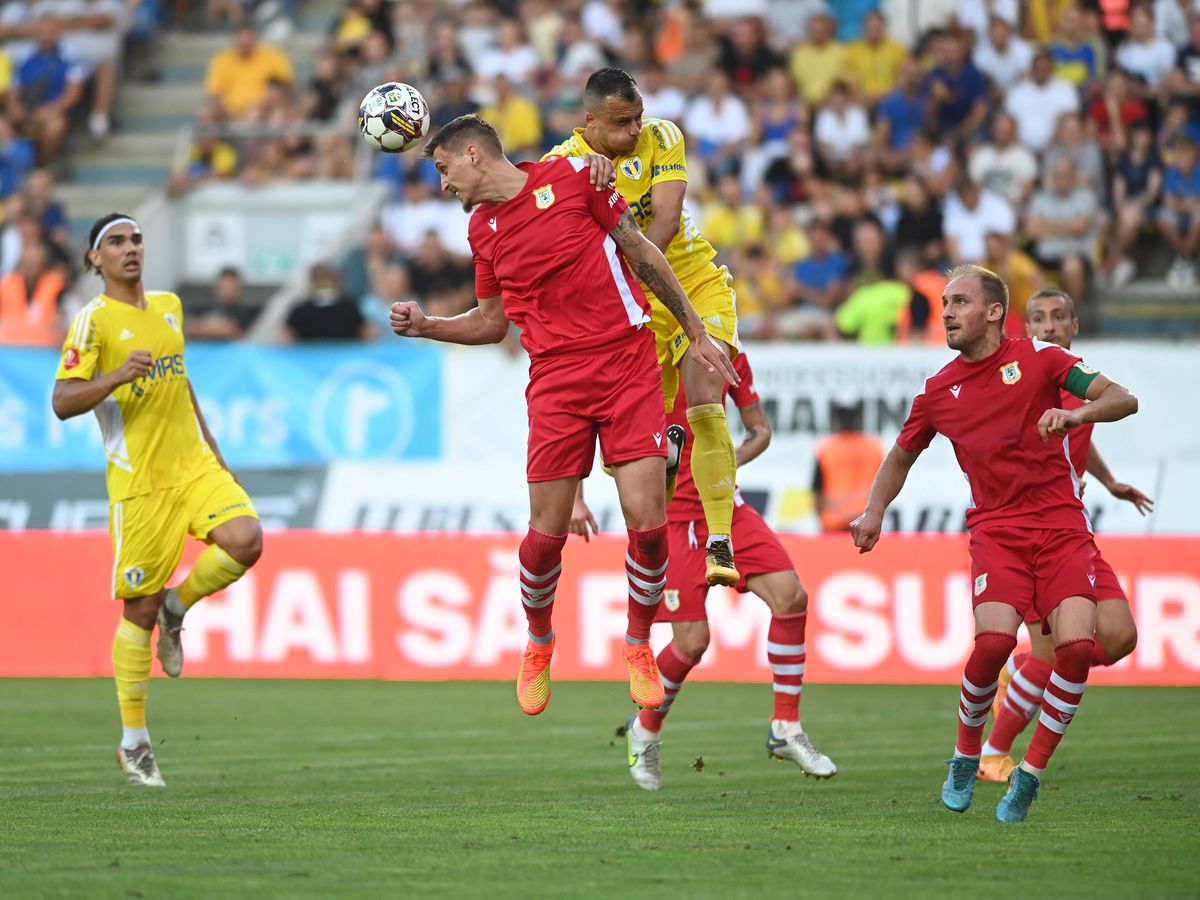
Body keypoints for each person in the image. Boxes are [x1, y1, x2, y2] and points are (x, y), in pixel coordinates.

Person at [390, 115, 737, 717]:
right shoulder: (482, 229)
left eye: (444, 169)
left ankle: (637, 642)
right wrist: (429, 326)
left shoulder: (576, 177)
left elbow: (641, 250)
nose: (443, 184)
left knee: (648, 523)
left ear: (473, 154)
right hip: (555, 379)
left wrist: (695, 329)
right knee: (543, 539)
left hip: (627, 362)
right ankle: (539, 641)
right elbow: (492, 322)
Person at [850, 264, 1138, 823]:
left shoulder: (1041, 359)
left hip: (1061, 526)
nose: (947, 312)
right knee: (994, 644)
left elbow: (1123, 398)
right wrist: (874, 510)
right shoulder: (938, 390)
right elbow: (901, 455)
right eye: (945, 303)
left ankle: (1029, 773)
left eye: (959, 301)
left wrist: (1076, 413)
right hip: (997, 531)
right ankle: (966, 756)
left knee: (1078, 649)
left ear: (994, 311)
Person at [51, 213, 263, 787]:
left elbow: (181, 382)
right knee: (137, 614)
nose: (131, 248)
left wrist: (216, 451)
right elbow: (63, 401)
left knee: (246, 540)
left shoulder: (169, 306)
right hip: (140, 483)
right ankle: (134, 742)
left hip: (193, 467)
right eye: (117, 241)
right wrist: (117, 376)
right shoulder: (92, 321)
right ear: (94, 258)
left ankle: (178, 607)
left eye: (137, 239)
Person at [572, 352, 836, 790]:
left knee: (791, 597)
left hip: (725, 511)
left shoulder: (727, 352)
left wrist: (721, 467)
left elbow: (760, 430)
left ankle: (786, 728)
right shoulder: (641, 351)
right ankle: (645, 730)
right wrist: (577, 498)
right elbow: (586, 419)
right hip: (670, 520)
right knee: (692, 642)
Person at [542, 67, 742, 588]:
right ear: (589, 121)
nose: (635, 130)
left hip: (692, 280)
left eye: (637, 117)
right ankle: (666, 459)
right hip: (629, 305)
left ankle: (720, 540)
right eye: (621, 122)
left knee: (706, 391)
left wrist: (634, 277)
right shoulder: (559, 167)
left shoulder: (662, 135)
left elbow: (668, 221)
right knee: (625, 452)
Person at [978, 289, 1153, 781]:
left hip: (1074, 529)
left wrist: (1109, 481)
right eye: (1039, 318)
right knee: (1051, 654)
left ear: (1075, 327)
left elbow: (1078, 435)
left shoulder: (1080, 384)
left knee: (1119, 637)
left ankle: (1020, 673)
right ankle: (992, 754)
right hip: (1029, 532)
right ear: (1026, 329)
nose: (1049, 326)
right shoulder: (1021, 382)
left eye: (1058, 317)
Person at [813, 402, 884, 532]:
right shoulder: (874, 448)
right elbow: (885, 485)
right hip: (866, 524)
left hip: (833, 524)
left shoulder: (826, 449)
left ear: (836, 421)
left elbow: (816, 491)